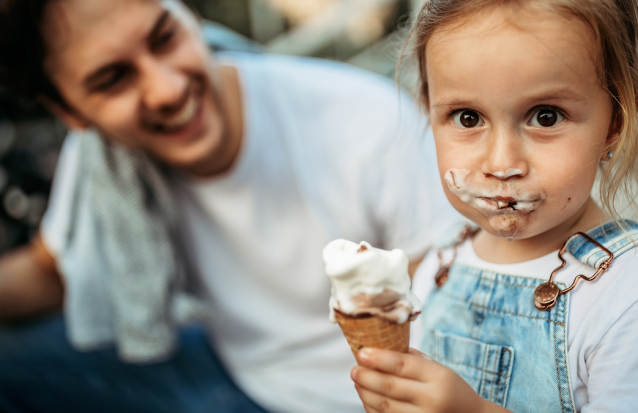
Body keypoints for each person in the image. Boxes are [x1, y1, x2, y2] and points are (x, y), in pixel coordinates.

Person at [0, 0, 465, 412]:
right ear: (71, 114)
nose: (167, 89)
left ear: (188, 14)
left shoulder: (366, 121)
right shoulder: (106, 163)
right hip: (229, 364)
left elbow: (457, 308)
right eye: (113, 79)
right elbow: (50, 273)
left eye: (165, 37)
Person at [349, 0, 638, 412]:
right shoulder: (444, 261)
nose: (502, 165)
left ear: (615, 122)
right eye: (467, 118)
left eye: (546, 116)